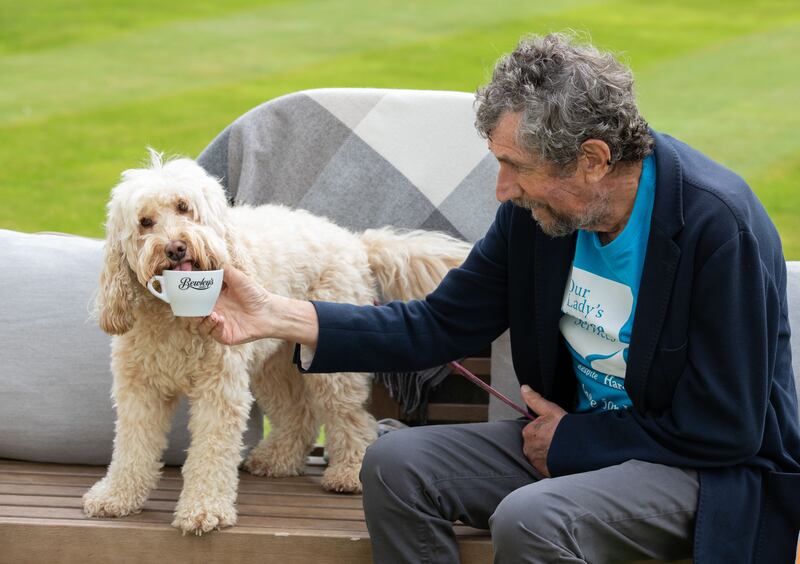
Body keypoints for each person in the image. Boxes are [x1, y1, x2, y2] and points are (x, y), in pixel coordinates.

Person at [197, 33, 800, 564]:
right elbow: (436, 325)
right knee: (395, 465)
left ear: (592, 160)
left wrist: (574, 443)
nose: (502, 188)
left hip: (701, 470)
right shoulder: (535, 217)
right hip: (573, 442)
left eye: (516, 166)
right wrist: (276, 314)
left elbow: (729, 428)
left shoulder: (717, 225)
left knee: (532, 520)